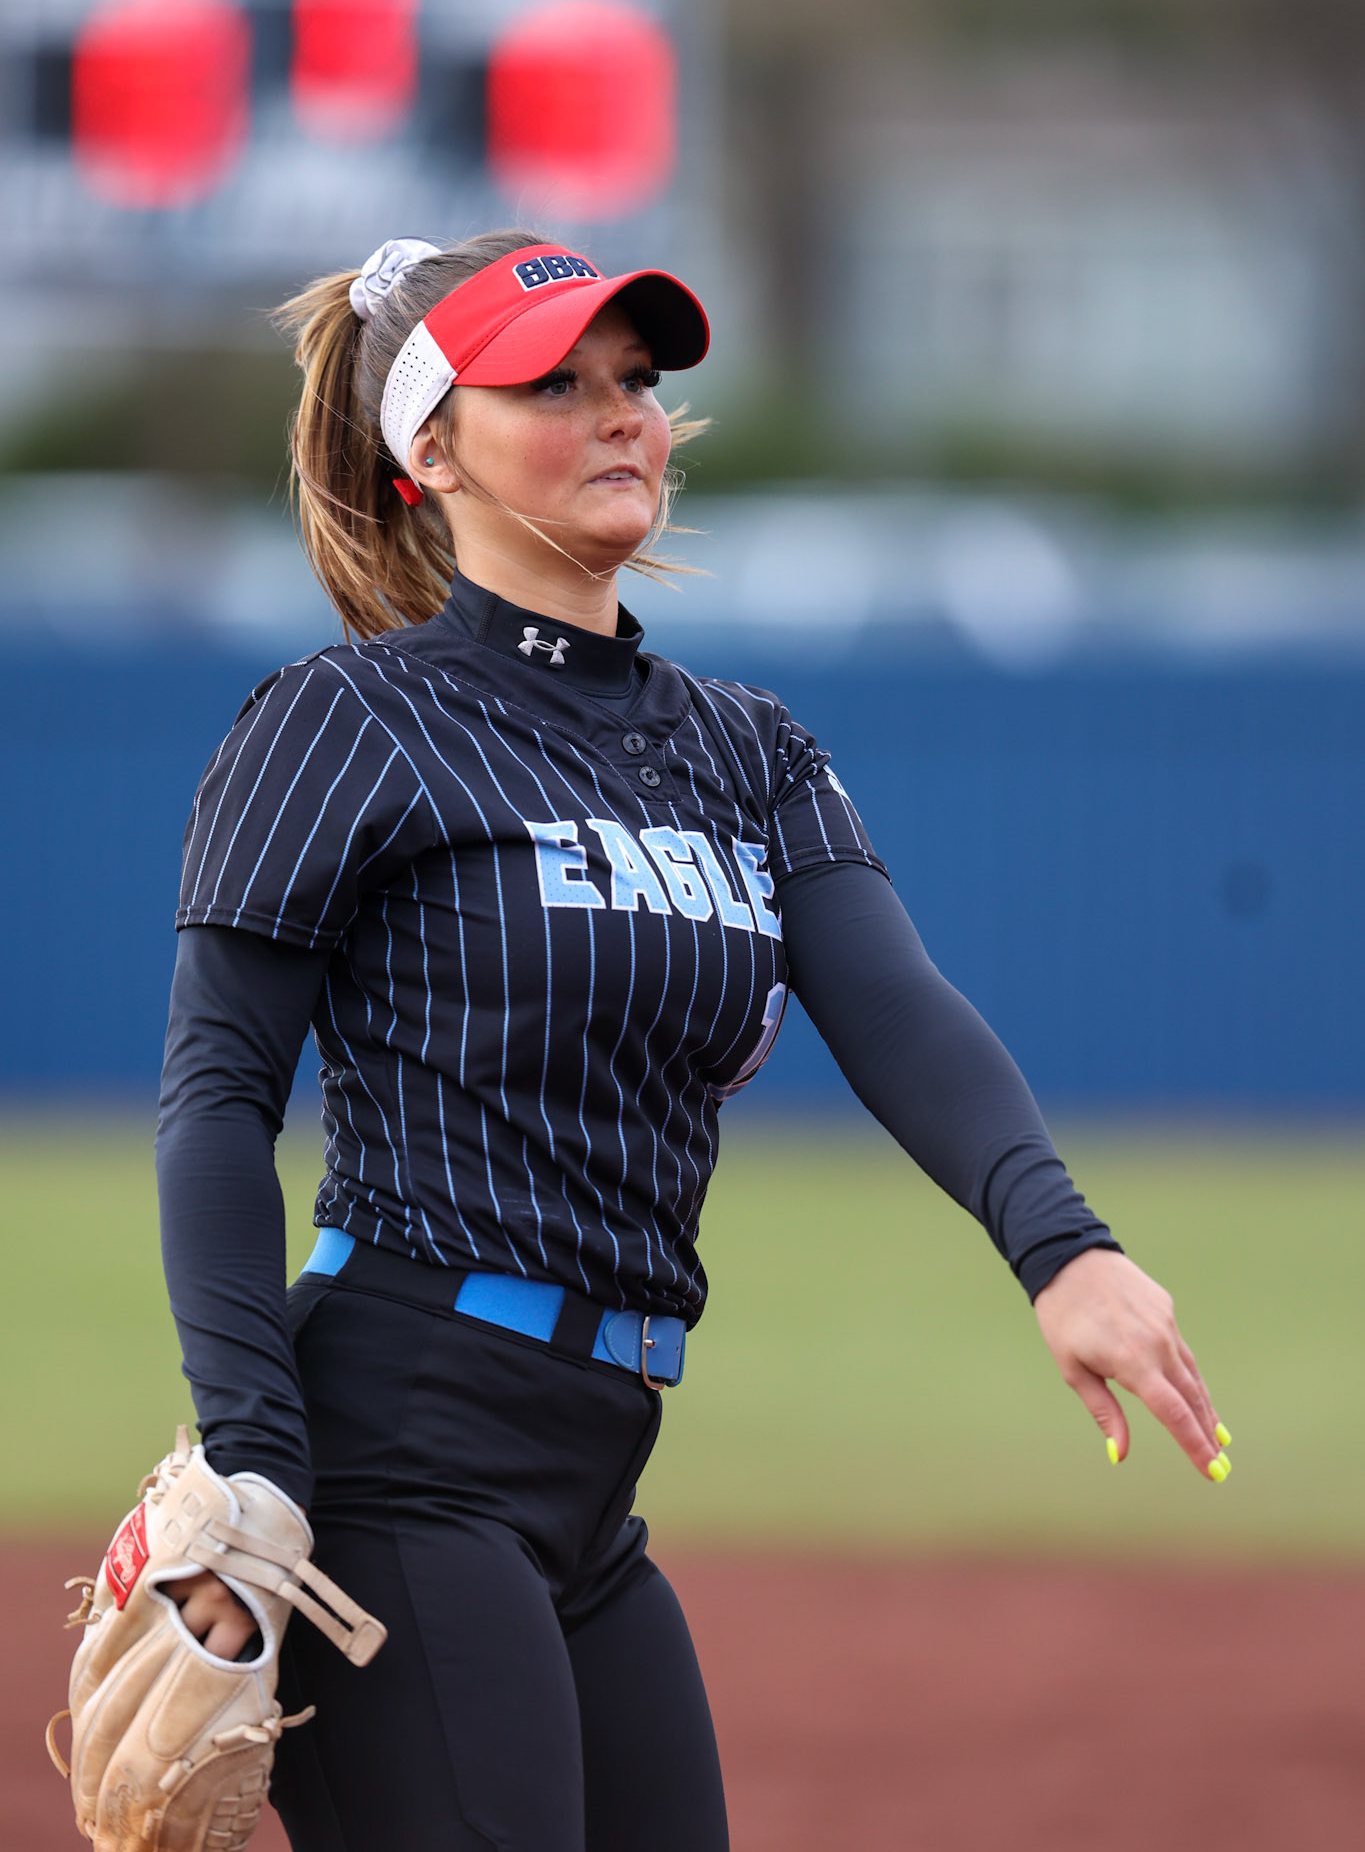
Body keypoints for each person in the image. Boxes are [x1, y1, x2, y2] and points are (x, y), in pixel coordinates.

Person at [155, 229, 1229, 1852]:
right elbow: (219, 1102)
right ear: (427, 450)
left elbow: (894, 1007)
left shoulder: (743, 748)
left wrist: (1059, 1246)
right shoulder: (346, 719)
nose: (620, 417)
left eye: (636, 383)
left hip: (594, 1476)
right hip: (399, 1444)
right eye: (555, 385)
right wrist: (255, 1479)